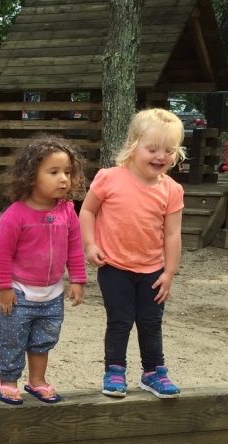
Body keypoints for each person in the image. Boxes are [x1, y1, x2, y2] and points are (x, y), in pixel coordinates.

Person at [80, 108, 185, 399]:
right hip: (114, 266)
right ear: (133, 144)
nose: (160, 156)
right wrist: (90, 244)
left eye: (168, 150)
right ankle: (115, 369)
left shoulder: (172, 190)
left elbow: (173, 234)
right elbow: (87, 211)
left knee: (151, 321)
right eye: (152, 148)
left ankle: (153, 372)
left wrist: (169, 273)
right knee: (120, 319)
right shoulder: (109, 178)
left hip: (153, 269)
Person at [0, 137, 88, 405]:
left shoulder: (67, 211)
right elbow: (2, 254)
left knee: (43, 340)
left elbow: (75, 247)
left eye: (68, 172)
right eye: (54, 172)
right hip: (20, 293)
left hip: (52, 294)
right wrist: (5, 288)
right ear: (31, 176)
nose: (64, 180)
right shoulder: (15, 214)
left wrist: (78, 280)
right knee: (11, 340)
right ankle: (8, 381)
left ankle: (37, 381)